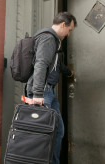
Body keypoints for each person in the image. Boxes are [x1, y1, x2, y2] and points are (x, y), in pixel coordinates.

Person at [26, 12, 76, 164]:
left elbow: (55, 64)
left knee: (57, 131)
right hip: (42, 92)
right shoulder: (48, 38)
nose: (68, 34)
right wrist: (38, 94)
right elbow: (41, 64)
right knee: (44, 133)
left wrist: (69, 72)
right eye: (69, 30)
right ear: (63, 25)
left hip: (49, 92)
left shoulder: (52, 41)